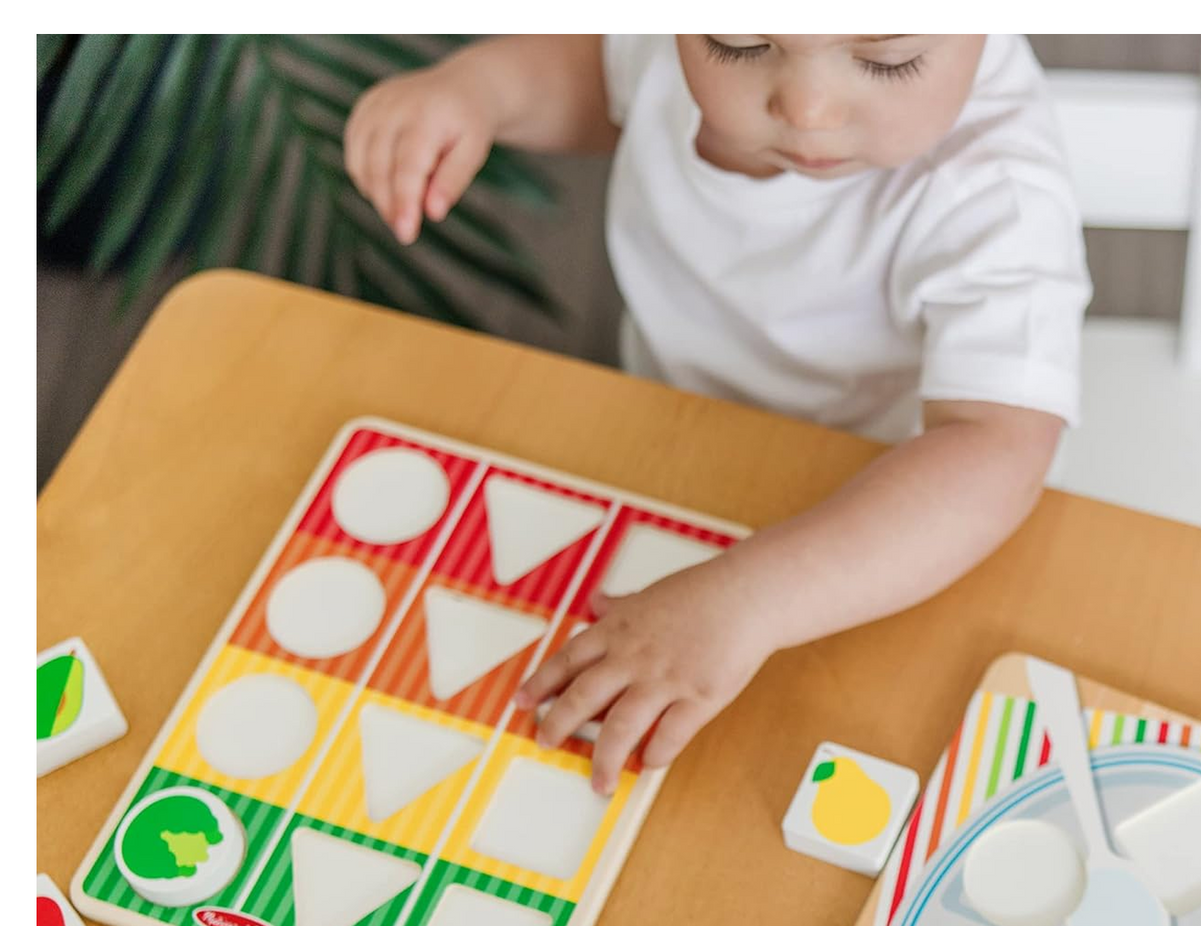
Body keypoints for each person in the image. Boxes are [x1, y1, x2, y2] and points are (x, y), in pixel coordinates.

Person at [345, 34, 1091, 794]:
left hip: (886, 541)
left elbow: (997, 447)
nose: (806, 109)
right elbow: (603, 77)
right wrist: (480, 89)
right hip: (678, 440)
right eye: (738, 43)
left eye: (888, 60)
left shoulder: (995, 193)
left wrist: (750, 600)